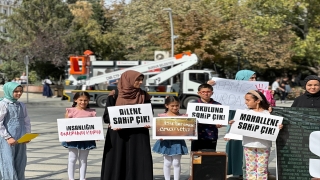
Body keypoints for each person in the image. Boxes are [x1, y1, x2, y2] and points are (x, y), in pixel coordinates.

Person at [101, 70, 153, 180]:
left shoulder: (144, 95)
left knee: (139, 158)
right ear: (128, 80)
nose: (140, 82)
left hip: (138, 134)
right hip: (118, 134)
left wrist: (148, 122)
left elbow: (149, 114)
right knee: (117, 158)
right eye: (137, 80)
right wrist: (114, 122)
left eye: (141, 80)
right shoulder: (115, 94)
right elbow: (106, 117)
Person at [229, 90, 283, 179]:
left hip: (264, 145)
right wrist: (233, 124)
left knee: (262, 169)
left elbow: (274, 126)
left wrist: (279, 127)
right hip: (248, 145)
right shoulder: (244, 113)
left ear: (257, 101)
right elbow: (239, 126)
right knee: (250, 169)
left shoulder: (268, 113)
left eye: (248, 100)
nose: (245, 102)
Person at [61, 91, 96, 180]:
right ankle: (71, 178)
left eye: (85, 100)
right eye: (80, 100)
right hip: (73, 138)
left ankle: (82, 178)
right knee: (72, 158)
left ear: (88, 101)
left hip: (86, 139)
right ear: (75, 100)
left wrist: (96, 134)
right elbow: (66, 125)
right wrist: (67, 136)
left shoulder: (92, 112)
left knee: (83, 159)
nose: (83, 102)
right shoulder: (70, 111)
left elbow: (94, 126)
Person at [0, 82, 31, 180]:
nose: (19, 93)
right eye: (16, 91)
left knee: (20, 161)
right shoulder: (3, 104)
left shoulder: (21, 105)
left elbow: (26, 120)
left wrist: (28, 135)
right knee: (7, 161)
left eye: (21, 91)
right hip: (7, 139)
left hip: (21, 138)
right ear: (9, 91)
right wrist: (7, 137)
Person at [152, 96, 188, 180]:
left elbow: (188, 129)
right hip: (166, 142)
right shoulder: (161, 117)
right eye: (172, 106)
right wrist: (158, 136)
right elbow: (158, 129)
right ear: (167, 105)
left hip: (178, 142)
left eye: (177, 105)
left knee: (176, 162)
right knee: (167, 162)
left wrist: (190, 135)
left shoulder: (184, 117)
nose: (175, 107)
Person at [191, 83, 222, 151]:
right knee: (196, 158)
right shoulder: (193, 105)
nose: (206, 94)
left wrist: (220, 124)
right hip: (196, 136)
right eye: (203, 92)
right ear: (199, 93)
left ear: (212, 93)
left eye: (208, 92)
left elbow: (221, 120)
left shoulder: (218, 105)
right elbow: (189, 120)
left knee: (209, 158)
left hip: (211, 136)